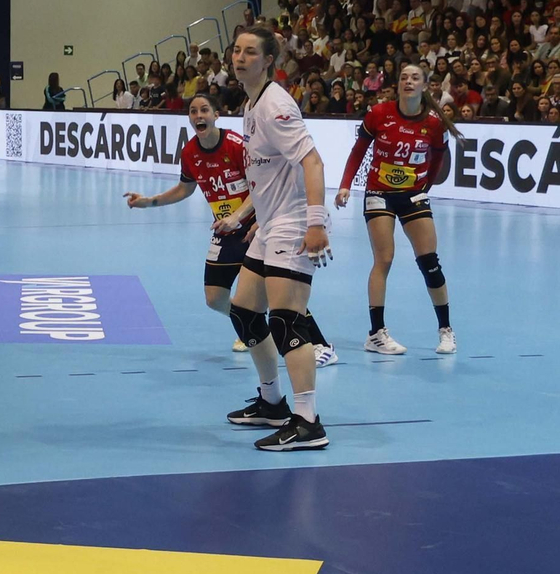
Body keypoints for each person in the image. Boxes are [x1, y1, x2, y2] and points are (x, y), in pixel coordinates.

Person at [125, 93, 337, 365]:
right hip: (225, 230)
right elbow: (184, 189)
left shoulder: (237, 146)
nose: (198, 116)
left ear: (216, 115)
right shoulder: (190, 152)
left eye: (204, 110)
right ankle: (253, 326)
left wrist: (241, 217)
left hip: (255, 226)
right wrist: (149, 202)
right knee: (214, 298)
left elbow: (260, 187)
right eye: (193, 111)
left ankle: (319, 344)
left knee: (278, 292)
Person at [222, 26, 333, 451]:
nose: (240, 57)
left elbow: (313, 161)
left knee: (287, 321)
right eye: (236, 50)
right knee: (244, 312)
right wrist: (245, 214)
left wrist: (316, 223)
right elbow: (267, 175)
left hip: (293, 224)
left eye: (250, 52)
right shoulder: (251, 104)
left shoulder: (275, 106)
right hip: (270, 224)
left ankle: (308, 423)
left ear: (269, 61)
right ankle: (272, 402)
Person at [336, 63, 457, 355]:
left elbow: (438, 158)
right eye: (404, 77)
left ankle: (446, 330)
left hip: (413, 194)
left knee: (429, 262)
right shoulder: (379, 114)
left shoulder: (434, 124)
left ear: (425, 85)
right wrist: (345, 184)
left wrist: (425, 185)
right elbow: (358, 151)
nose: (408, 81)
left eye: (415, 78)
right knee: (384, 259)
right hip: (379, 192)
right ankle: (376, 333)